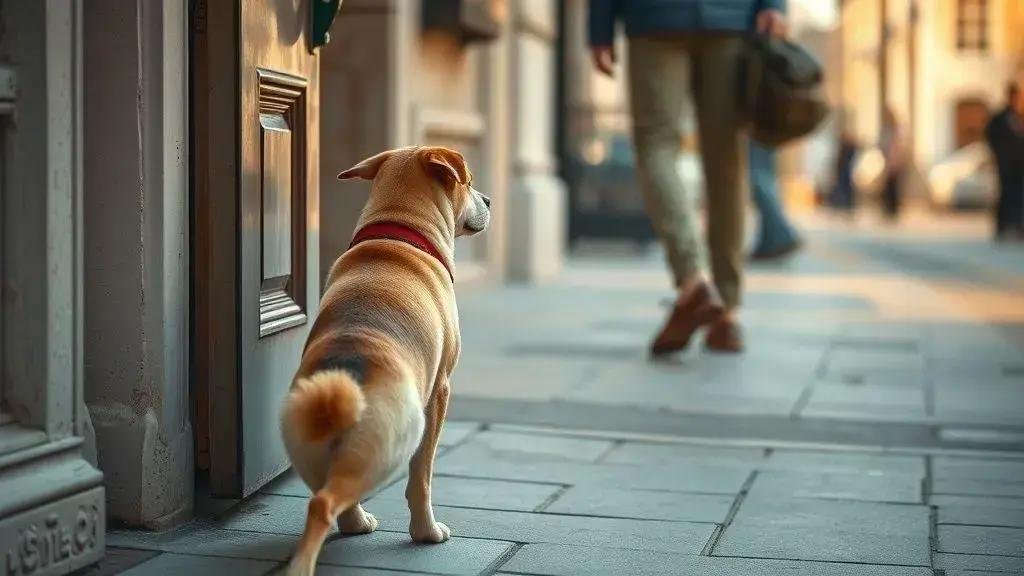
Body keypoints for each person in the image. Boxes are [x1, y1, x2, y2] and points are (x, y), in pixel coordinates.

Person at [588, 0, 788, 354]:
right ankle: (726, 314)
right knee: (727, 162)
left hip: (655, 17)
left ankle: (694, 280)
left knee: (656, 146)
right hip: (731, 18)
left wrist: (600, 25)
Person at [749, 141, 802, 260]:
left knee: (756, 174)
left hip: (754, 126)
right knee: (763, 173)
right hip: (765, 129)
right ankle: (769, 242)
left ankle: (781, 234)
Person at [985, 81, 1024, 241]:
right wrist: (998, 154)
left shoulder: (1020, 116)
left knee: (1020, 196)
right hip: (1005, 163)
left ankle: (1018, 227)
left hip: (1020, 164)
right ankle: (1003, 228)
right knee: (1006, 194)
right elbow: (990, 137)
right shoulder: (999, 118)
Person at [879, 107, 908, 220]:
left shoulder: (894, 130)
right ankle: (889, 209)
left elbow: (896, 146)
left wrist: (894, 161)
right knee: (889, 187)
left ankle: (892, 210)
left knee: (892, 187)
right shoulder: (887, 129)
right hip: (888, 160)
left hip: (893, 162)